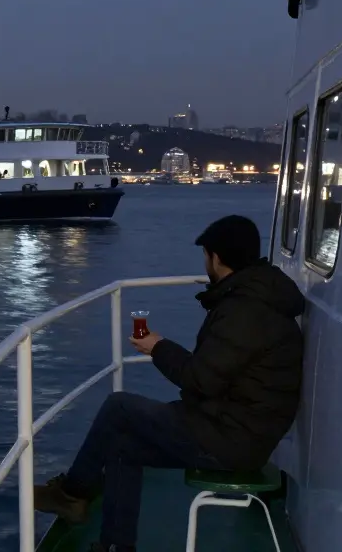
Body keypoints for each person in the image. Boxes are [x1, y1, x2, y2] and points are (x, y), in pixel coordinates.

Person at [32, 214, 305, 552]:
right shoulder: (257, 300)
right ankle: (115, 545)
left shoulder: (245, 311)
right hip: (238, 427)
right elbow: (216, 374)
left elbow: (200, 381)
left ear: (216, 257)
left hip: (231, 440)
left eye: (205, 255)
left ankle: (72, 494)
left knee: (119, 406)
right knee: (122, 446)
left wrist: (157, 347)